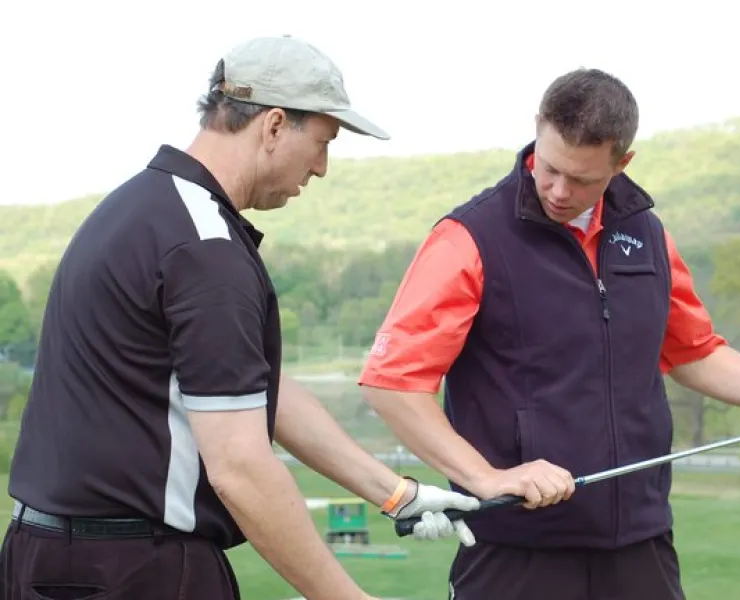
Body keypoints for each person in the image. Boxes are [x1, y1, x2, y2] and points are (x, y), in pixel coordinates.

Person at [358, 67, 740, 600]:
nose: (558, 190)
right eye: (549, 168)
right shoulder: (468, 239)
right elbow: (393, 383)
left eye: (583, 179)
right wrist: (484, 477)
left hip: (640, 545)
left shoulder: (646, 233)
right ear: (537, 129)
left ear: (623, 163)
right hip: (515, 555)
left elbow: (693, 352)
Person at [0, 35, 480, 600]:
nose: (323, 168)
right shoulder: (204, 248)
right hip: (135, 570)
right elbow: (241, 469)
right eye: (323, 142)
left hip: (49, 555)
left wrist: (395, 492)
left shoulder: (140, 207)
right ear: (274, 125)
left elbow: (256, 387)